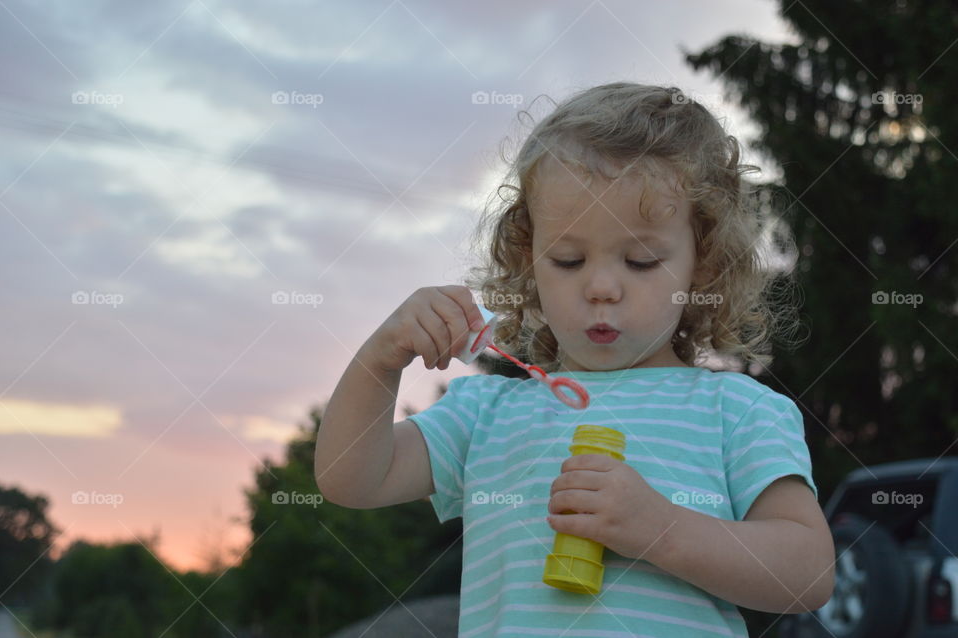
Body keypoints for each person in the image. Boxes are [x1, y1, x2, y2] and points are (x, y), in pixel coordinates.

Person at [315, 82, 836, 637]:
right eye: (567, 259)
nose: (602, 287)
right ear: (528, 262)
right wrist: (380, 361)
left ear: (701, 266)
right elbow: (350, 480)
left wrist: (661, 528)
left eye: (641, 260)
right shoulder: (486, 412)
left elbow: (808, 572)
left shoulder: (737, 411)